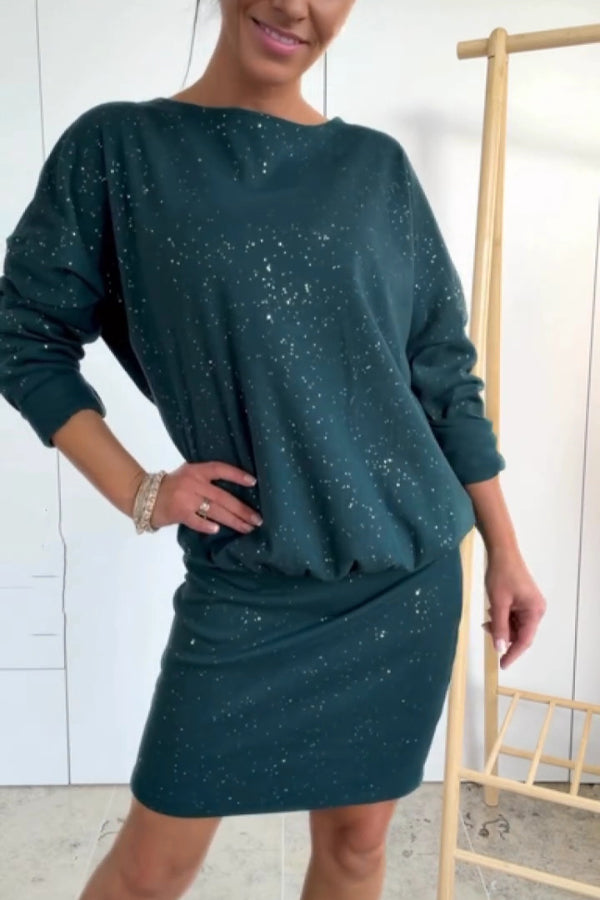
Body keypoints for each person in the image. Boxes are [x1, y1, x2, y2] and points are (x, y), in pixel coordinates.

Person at [0, 1, 547, 898]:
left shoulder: (376, 167)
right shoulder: (119, 150)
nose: (298, 5)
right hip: (247, 580)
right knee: (151, 870)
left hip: (404, 579)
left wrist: (506, 552)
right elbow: (25, 334)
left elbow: (443, 373)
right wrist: (140, 489)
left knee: (359, 848)